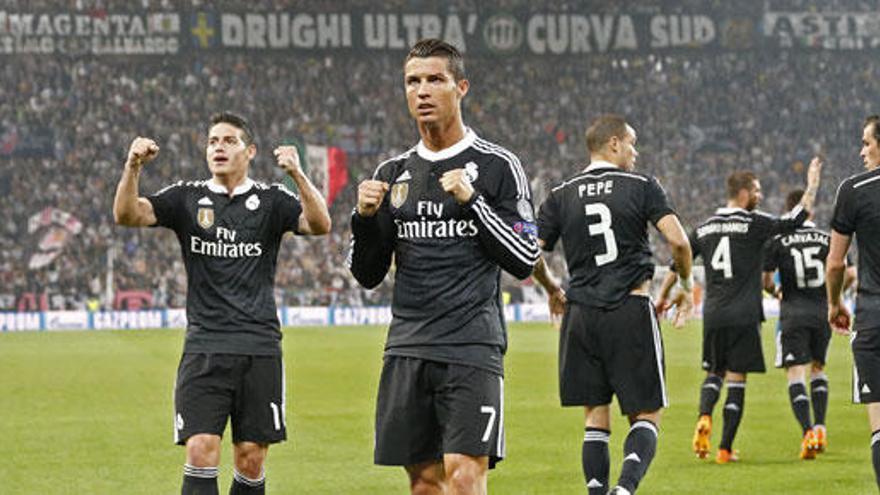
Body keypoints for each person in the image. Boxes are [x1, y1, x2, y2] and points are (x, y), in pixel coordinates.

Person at [347, 38, 539, 495]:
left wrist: (473, 202)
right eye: (413, 81)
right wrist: (364, 220)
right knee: (424, 484)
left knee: (466, 475)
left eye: (436, 79)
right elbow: (367, 273)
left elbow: (525, 257)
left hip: (471, 343)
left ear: (461, 87)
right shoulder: (393, 171)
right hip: (408, 344)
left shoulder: (497, 166)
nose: (423, 90)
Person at [112, 112, 331, 495]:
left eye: (229, 141)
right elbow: (127, 214)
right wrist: (133, 167)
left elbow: (320, 224)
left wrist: (296, 174)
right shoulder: (186, 197)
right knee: (200, 449)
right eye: (213, 141)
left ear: (250, 151)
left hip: (259, 347)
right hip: (204, 346)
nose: (218, 148)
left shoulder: (272, 200)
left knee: (250, 458)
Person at [532, 114, 694, 495]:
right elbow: (680, 243)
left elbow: (530, 255)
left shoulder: (560, 194)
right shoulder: (641, 185)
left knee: (595, 418)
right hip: (629, 309)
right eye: (632, 143)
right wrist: (684, 284)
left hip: (581, 316)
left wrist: (553, 289)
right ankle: (624, 490)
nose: (636, 152)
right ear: (614, 144)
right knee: (646, 415)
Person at [665, 161, 822, 464]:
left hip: (713, 314)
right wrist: (813, 183)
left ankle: (704, 416)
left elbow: (679, 260)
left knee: (714, 372)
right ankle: (724, 449)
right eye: (757, 191)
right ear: (743, 193)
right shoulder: (755, 223)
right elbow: (796, 219)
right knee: (737, 380)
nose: (760, 196)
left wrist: (663, 294)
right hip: (745, 314)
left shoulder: (705, 227)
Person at [763, 189, 855, 459]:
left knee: (795, 374)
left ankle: (807, 433)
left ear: (789, 210)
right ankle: (821, 428)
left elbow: (767, 282)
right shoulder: (827, 239)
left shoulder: (778, 240)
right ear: (809, 212)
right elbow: (849, 273)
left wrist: (778, 293)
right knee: (818, 368)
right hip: (821, 313)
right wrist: (833, 298)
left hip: (792, 313)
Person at [827, 114, 880, 488]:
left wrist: (834, 304)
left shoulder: (854, 189)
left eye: (866, 142)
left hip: (873, 315)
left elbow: (835, 263)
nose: (862, 151)